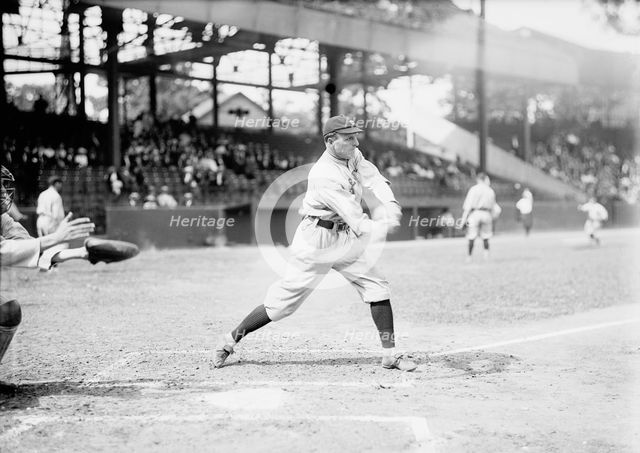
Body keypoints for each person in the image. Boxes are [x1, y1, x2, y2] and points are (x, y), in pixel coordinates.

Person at [213, 115, 417, 371]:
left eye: (355, 136)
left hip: (343, 237)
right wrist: (383, 225)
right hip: (316, 241)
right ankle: (230, 340)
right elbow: (356, 220)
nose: (355, 142)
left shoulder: (351, 155)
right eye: (348, 138)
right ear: (331, 141)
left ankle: (390, 355)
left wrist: (390, 203)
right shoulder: (324, 175)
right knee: (282, 305)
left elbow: (373, 178)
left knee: (378, 288)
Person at [1, 166, 139, 365]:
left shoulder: (2, 219)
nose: (4, 193)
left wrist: (82, 254)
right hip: (49, 222)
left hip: (43, 221)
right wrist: (56, 237)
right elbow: (4, 251)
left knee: (8, 311)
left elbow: (28, 246)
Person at [459, 172, 498, 261]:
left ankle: (469, 256)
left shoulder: (473, 189)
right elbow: (493, 206)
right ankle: (486, 255)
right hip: (486, 213)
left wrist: (463, 220)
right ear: (485, 179)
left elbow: (468, 206)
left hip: (475, 213)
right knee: (486, 236)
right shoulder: (490, 190)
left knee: (471, 236)